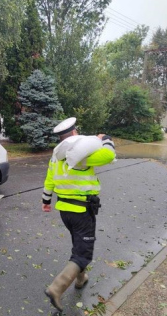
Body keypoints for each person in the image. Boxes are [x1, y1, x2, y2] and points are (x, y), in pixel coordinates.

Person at [41, 117, 116, 312]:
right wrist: (105, 138)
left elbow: (50, 179)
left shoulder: (56, 155)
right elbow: (108, 155)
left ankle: (81, 278)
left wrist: (46, 201)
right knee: (83, 252)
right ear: (75, 133)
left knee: (78, 244)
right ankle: (56, 289)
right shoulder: (81, 154)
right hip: (82, 210)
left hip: (64, 211)